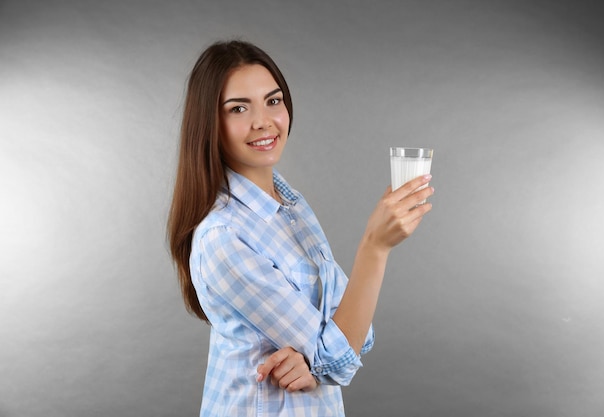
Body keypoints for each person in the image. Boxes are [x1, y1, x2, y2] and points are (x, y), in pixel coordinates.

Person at [167, 39, 434, 417]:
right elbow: (340, 356)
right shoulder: (222, 238)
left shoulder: (290, 207)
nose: (264, 121)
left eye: (273, 101)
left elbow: (356, 338)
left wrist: (313, 361)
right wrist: (375, 247)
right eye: (239, 108)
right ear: (210, 123)